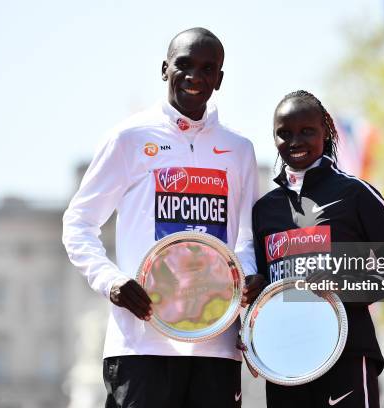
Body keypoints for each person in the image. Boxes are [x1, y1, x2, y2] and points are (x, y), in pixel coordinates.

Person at [62, 27, 265, 408]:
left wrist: (248, 276)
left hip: (216, 346)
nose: (194, 77)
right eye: (183, 65)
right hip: (141, 343)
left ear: (219, 79)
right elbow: (78, 222)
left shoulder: (239, 150)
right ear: (164, 69)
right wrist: (112, 282)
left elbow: (248, 237)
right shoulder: (128, 138)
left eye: (208, 69)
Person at [251, 90, 384, 408]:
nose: (295, 141)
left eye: (306, 131)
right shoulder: (264, 209)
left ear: (325, 132)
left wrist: (341, 286)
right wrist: (254, 337)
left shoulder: (355, 193)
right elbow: (262, 287)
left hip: (348, 355)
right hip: (285, 364)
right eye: (284, 133)